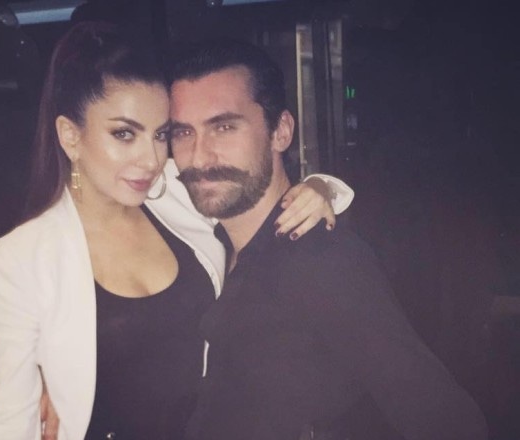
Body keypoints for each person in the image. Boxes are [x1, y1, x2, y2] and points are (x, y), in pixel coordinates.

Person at [0, 23, 353, 439]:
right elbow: (10, 421)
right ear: (70, 136)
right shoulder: (24, 256)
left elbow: (259, 192)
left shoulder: (174, 192)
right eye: (124, 134)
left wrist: (321, 188)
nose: (151, 159)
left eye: (160, 134)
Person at [167, 39, 488, 440]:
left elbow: (445, 418)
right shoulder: (205, 242)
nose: (199, 156)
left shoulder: (320, 262)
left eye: (224, 127)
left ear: (280, 132)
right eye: (184, 132)